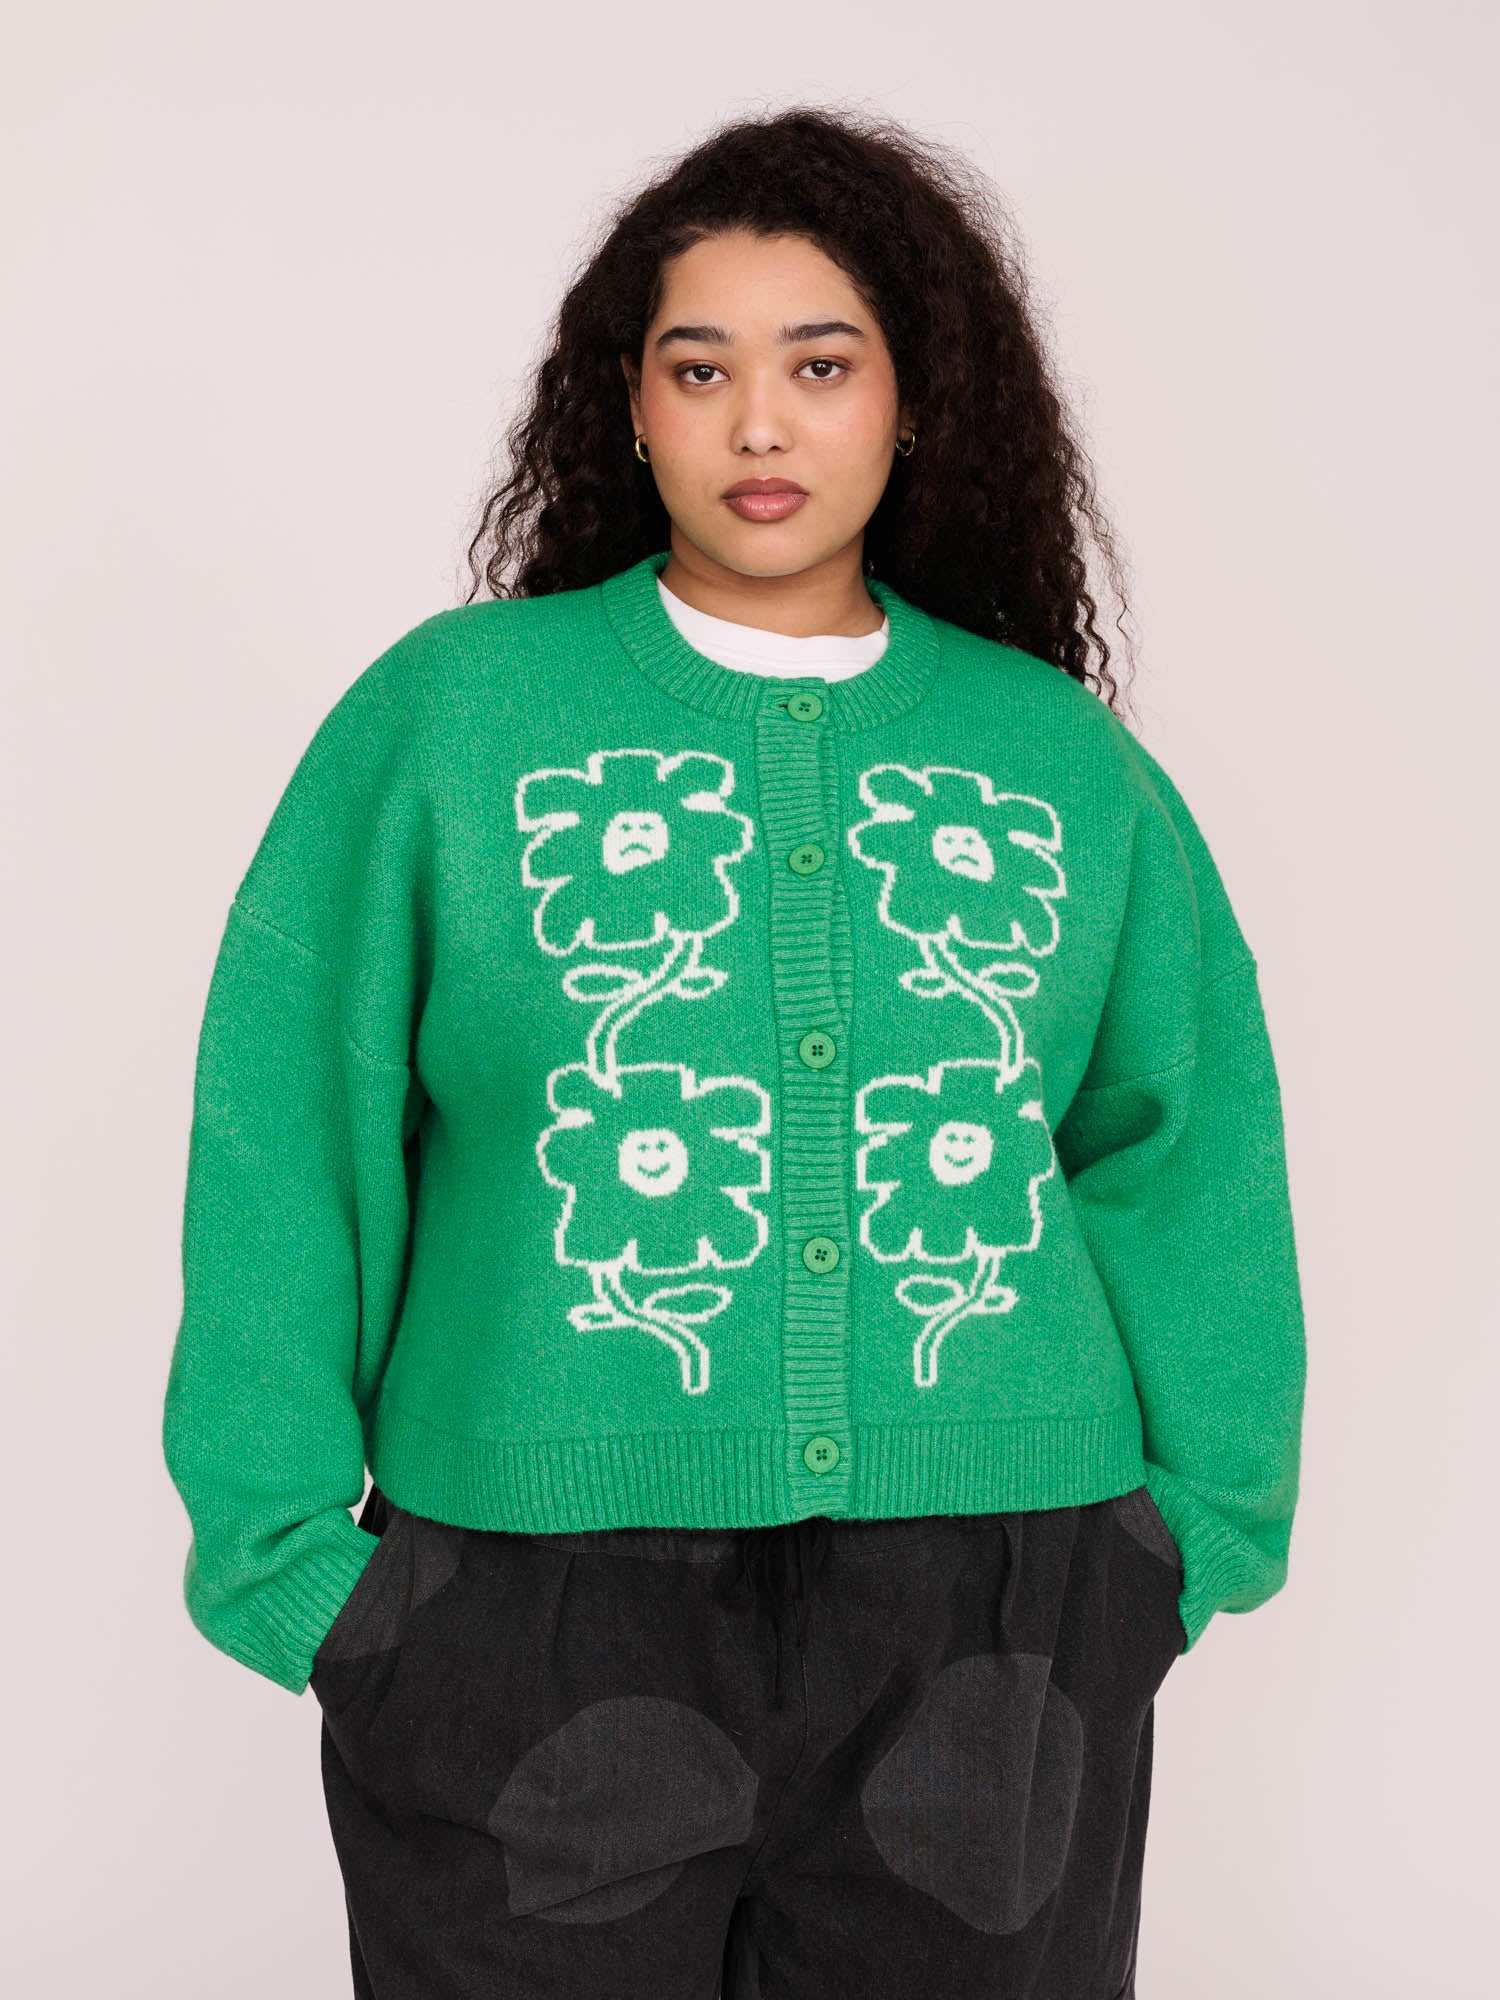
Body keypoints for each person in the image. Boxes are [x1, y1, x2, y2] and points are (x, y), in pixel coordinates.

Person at [162, 104, 1306, 1999]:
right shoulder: (454, 723)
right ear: (628, 407)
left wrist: (1185, 1542)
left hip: (998, 1611)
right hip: (530, 1605)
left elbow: (1182, 1143)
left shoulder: (1056, 759)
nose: (759, 425)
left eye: (821, 366)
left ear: (915, 403)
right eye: (701, 369)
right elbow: (288, 1126)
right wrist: (296, 1568)